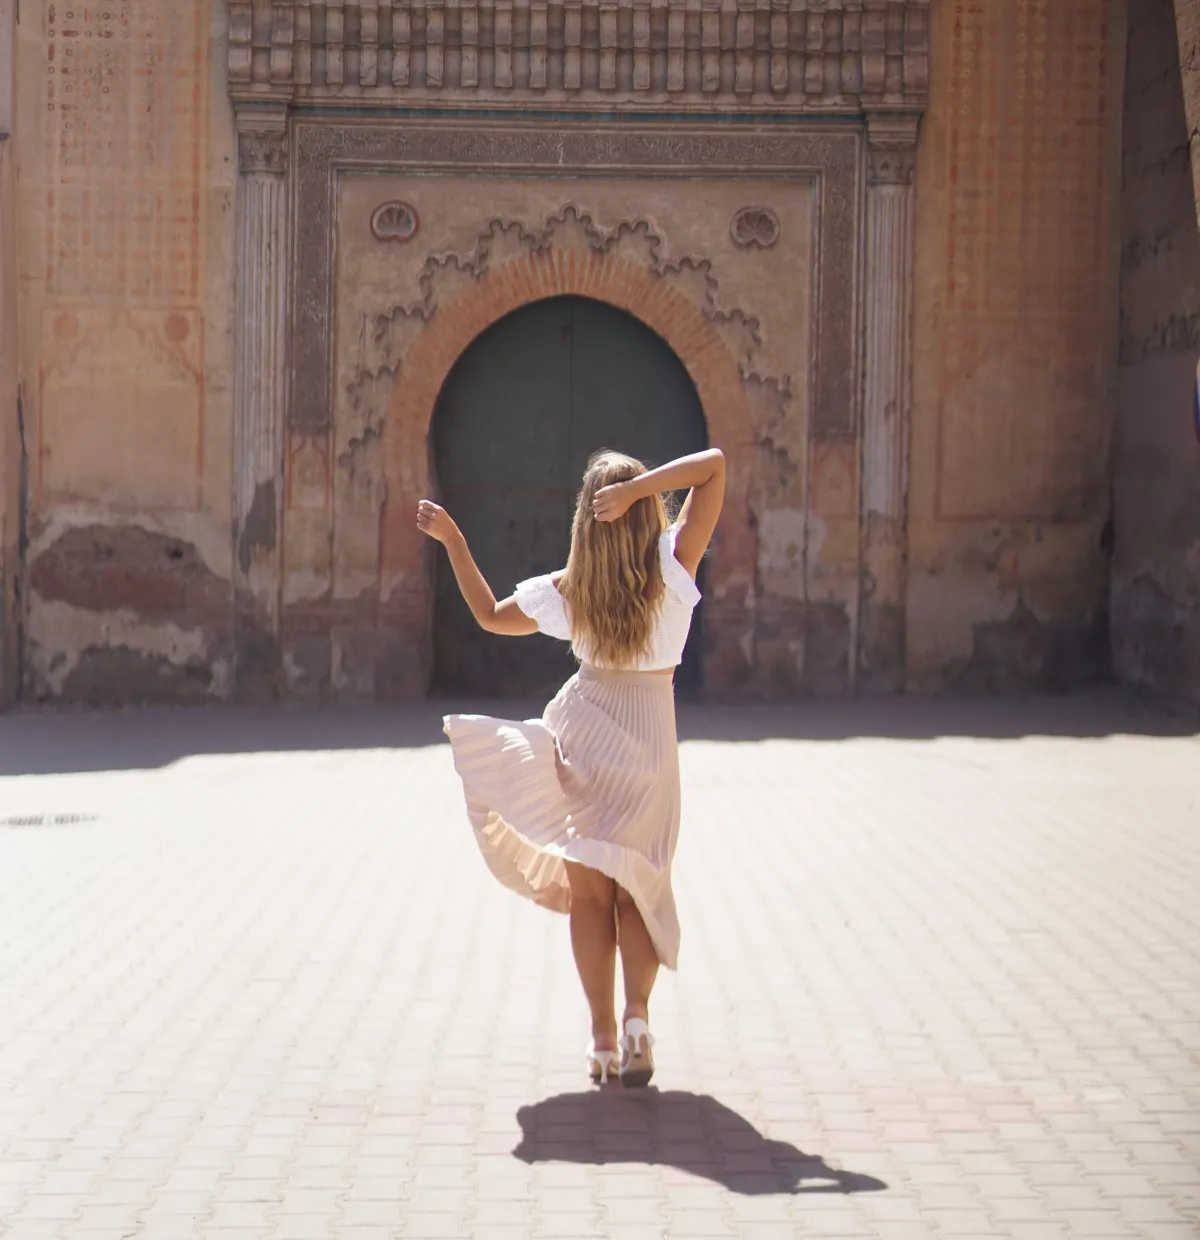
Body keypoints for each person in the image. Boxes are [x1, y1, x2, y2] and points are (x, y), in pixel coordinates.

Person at [417, 446, 725, 1087]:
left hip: (583, 734)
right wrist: (643, 491)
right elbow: (714, 465)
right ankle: (638, 1019)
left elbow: (488, 616)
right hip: (649, 746)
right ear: (644, 513)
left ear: (586, 520)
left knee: (591, 896)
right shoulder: (673, 568)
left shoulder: (572, 588)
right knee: (637, 890)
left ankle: (604, 1041)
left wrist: (453, 540)